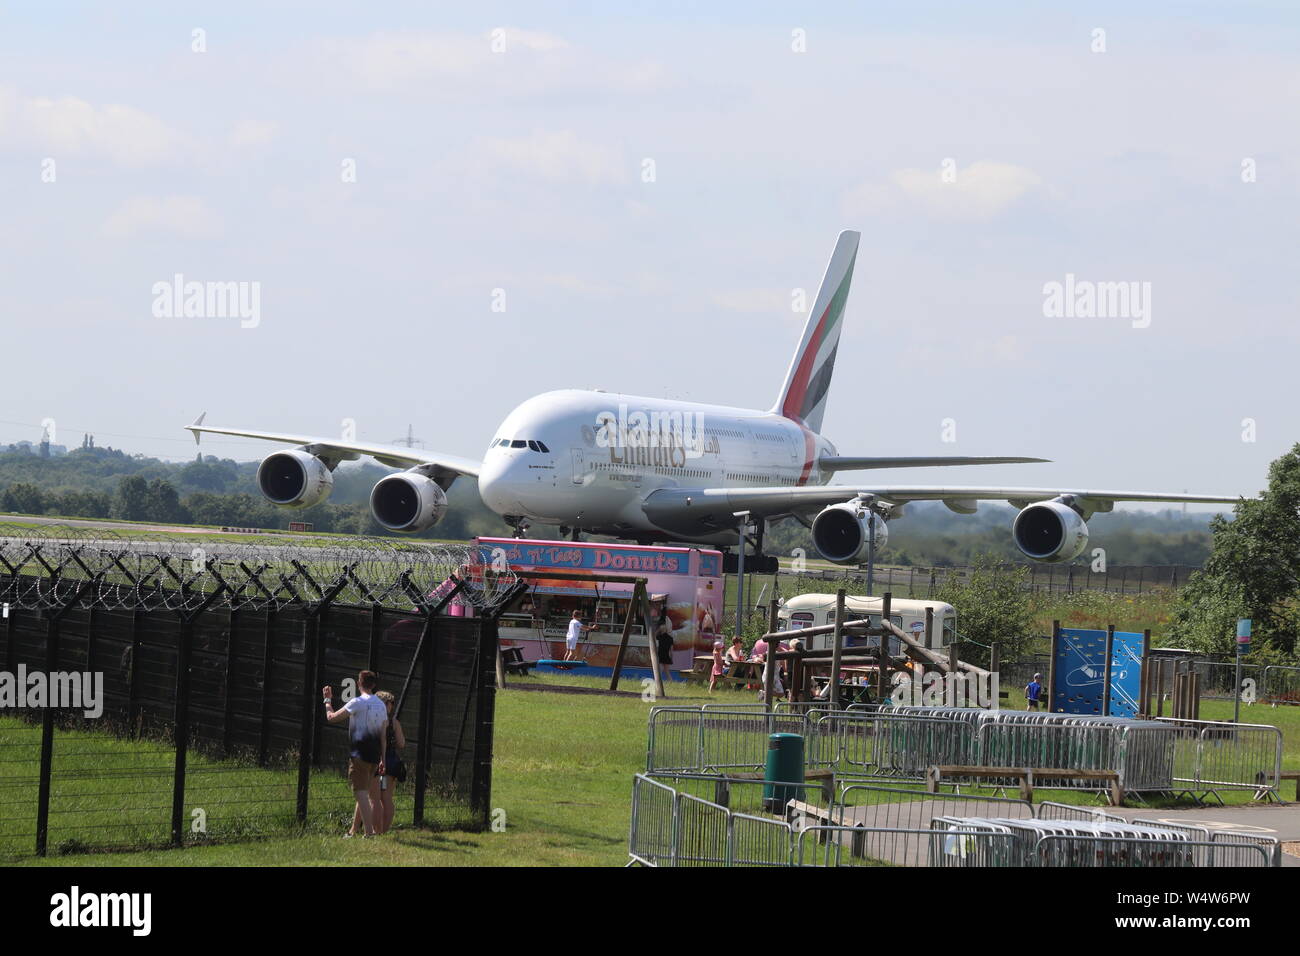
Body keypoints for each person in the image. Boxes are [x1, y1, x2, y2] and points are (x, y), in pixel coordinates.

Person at [322, 670, 388, 838]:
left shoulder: (357, 702)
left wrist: (327, 700)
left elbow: (331, 717)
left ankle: (369, 832)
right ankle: (359, 831)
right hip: (374, 756)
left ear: (359, 684)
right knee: (365, 792)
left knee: (360, 793)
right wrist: (383, 759)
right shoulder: (381, 705)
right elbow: (383, 736)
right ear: (373, 685)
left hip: (359, 755)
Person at [373, 690, 406, 835]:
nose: (391, 706)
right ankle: (382, 830)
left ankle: (378, 831)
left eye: (391, 703)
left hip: (379, 761)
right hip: (392, 762)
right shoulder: (394, 722)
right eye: (390, 703)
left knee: (377, 798)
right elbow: (402, 744)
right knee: (387, 798)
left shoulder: (374, 719)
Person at [654, 606, 674, 670]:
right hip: (666, 644)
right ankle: (666, 680)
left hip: (663, 646)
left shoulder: (663, 619)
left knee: (660, 668)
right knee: (665, 670)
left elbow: (656, 633)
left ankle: (658, 679)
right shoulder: (669, 620)